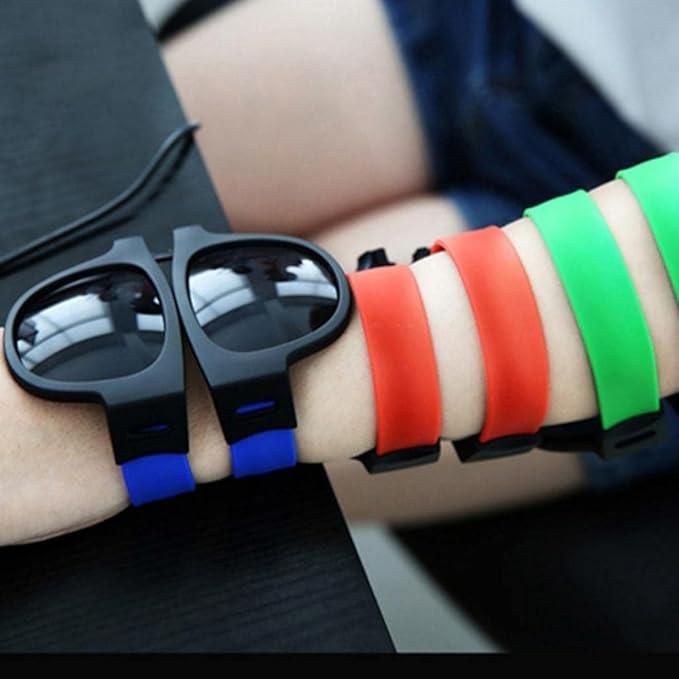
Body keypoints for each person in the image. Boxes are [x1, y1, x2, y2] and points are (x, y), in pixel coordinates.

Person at [0, 0, 677, 545]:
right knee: (39, 180)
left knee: (151, 515)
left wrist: (156, 426)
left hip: (653, 303)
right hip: (547, 28)